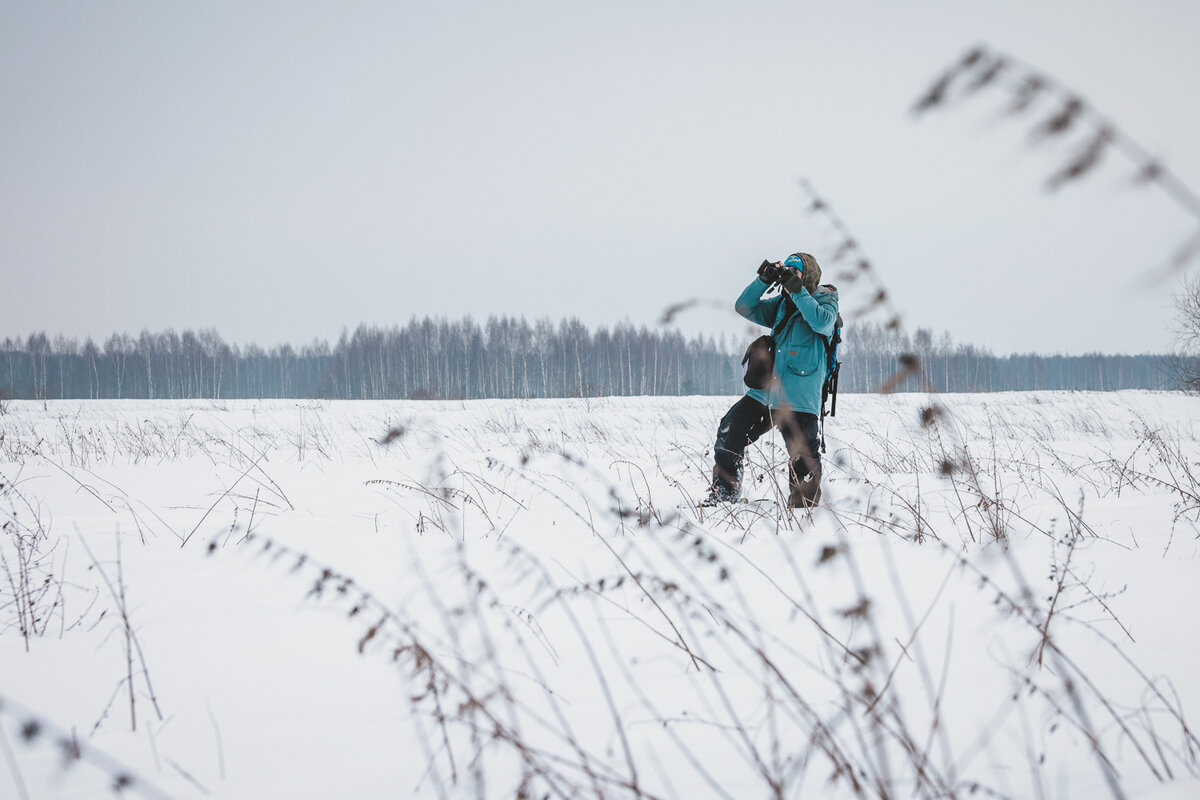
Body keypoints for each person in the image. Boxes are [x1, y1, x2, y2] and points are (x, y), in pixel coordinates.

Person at [701, 252, 840, 509]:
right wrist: (764, 280)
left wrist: (797, 291)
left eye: (794, 272)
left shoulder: (827, 300)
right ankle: (724, 494)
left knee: (803, 456)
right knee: (730, 430)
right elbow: (744, 307)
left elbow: (821, 323)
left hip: (799, 396)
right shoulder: (781, 305)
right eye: (786, 271)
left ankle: (803, 509)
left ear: (806, 277)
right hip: (767, 392)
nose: (788, 278)